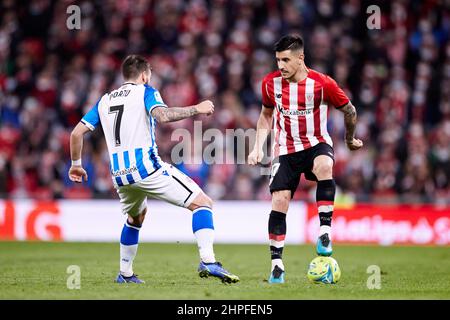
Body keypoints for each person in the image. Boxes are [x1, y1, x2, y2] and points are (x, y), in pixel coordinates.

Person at [68, 55, 239, 284]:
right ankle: (208, 260)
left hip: (120, 175)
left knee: (135, 218)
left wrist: (76, 165)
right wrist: (197, 108)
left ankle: (125, 274)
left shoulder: (105, 100)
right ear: (144, 75)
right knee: (202, 203)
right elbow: (164, 116)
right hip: (147, 169)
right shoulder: (146, 91)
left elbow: (76, 133)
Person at [248, 35, 363, 284]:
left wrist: (350, 139)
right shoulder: (270, 83)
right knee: (279, 201)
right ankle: (277, 266)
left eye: (286, 60)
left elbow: (350, 110)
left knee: (325, 165)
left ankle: (324, 233)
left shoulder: (323, 84)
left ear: (301, 58)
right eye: (278, 60)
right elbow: (266, 115)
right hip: (286, 149)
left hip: (315, 143)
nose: (281, 65)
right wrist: (258, 147)